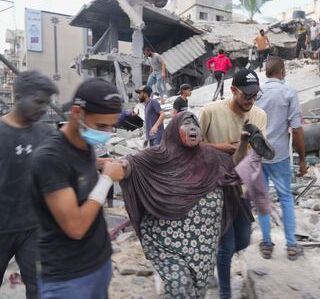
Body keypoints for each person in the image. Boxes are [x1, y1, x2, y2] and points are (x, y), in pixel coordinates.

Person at [120, 111, 264, 299]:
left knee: (196, 292)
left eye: (195, 125)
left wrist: (244, 143)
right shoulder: (159, 155)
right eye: (186, 124)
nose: (193, 127)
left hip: (203, 244)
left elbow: (232, 166)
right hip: (167, 242)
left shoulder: (211, 156)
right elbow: (132, 164)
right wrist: (120, 166)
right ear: (173, 130)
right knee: (180, 287)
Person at [31, 78, 125, 298]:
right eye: (101, 126)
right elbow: (75, 227)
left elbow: (76, 173)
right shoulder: (49, 158)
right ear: (76, 112)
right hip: (68, 277)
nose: (107, 132)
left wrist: (99, 165)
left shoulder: (84, 145)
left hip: (98, 264)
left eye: (111, 125)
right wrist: (106, 180)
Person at [199, 68, 267, 299]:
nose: (251, 100)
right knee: (226, 244)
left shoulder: (259, 115)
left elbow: (258, 154)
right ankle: (225, 293)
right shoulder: (210, 112)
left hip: (243, 190)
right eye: (247, 95)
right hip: (215, 191)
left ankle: (214, 257)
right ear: (233, 91)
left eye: (255, 95)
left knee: (243, 239)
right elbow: (191, 146)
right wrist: (220, 148)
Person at [0, 71, 58, 299]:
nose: (44, 108)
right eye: (38, 101)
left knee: (40, 290)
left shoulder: (47, 134)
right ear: (18, 96)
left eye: (47, 102)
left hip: (34, 228)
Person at [255, 57, 308, 261]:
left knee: (262, 199)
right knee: (286, 199)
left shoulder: (257, 92)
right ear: (282, 70)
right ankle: (291, 246)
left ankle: (267, 244)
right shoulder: (289, 92)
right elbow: (296, 129)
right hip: (279, 156)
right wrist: (302, 159)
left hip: (258, 155)